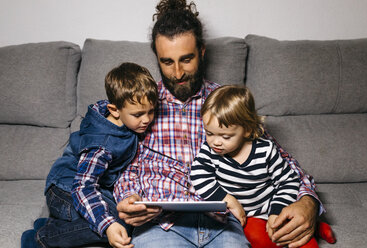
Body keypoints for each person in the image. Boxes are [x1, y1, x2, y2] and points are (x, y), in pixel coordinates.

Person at [114, 0, 326, 248]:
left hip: (224, 224)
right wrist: (128, 198)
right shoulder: (141, 107)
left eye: (186, 59)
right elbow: (123, 166)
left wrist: (308, 201)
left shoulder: (226, 103)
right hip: (163, 225)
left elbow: (280, 162)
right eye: (167, 62)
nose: (178, 73)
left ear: (202, 52)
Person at [21, 62, 158, 248]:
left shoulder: (124, 119)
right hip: (65, 190)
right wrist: (108, 225)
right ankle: (42, 238)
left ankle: (49, 224)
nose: (147, 119)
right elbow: (82, 187)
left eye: (151, 111)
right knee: (119, 223)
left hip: (95, 186)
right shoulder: (101, 146)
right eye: (138, 114)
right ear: (114, 110)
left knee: (132, 216)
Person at [190, 85, 336, 248]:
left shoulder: (265, 150)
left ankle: (316, 227)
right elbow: (198, 176)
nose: (215, 142)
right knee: (257, 238)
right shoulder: (209, 151)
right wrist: (227, 199)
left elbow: (288, 181)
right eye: (209, 133)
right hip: (247, 216)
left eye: (225, 136)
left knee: (297, 236)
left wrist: (276, 212)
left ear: (247, 130)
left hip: (275, 206)